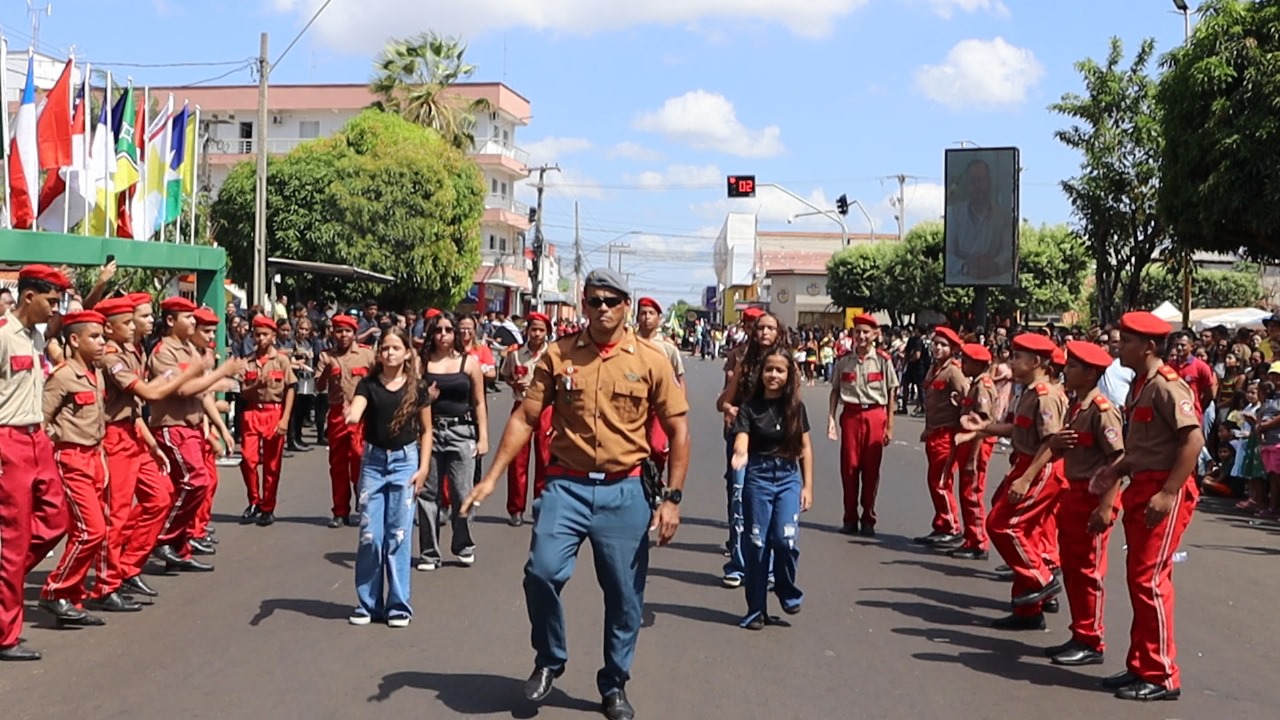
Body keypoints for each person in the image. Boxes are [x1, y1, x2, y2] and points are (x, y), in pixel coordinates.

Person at [460, 268, 689, 720]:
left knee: (624, 597)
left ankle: (614, 684)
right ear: (583, 304)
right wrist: (491, 478)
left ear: (626, 305)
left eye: (611, 301)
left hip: (625, 489)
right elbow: (526, 417)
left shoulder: (652, 359)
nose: (602, 308)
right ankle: (550, 658)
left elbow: (679, 428)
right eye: (594, 300)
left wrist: (672, 498)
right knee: (541, 572)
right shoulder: (558, 355)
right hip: (566, 486)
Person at [1090, 311, 1202, 701]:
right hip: (1142, 484)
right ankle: (1141, 664)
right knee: (1140, 579)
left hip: (1162, 487)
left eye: (1126, 341)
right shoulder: (1141, 384)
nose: (1118, 347)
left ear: (1149, 346)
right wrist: (1115, 471)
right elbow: (1142, 446)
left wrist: (1169, 493)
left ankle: (1161, 674)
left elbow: (1193, 441)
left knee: (1149, 581)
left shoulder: (1168, 386)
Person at [1019, 340, 1126, 668]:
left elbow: (1117, 460)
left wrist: (1106, 507)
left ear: (1091, 373)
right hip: (1074, 492)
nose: (1067, 370)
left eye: (1074, 367)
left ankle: (1092, 639)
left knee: (1089, 571)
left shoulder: (1102, 410)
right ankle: (1080, 633)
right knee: (1074, 568)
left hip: (1094, 495)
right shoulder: (1078, 406)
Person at [91, 295, 200, 605]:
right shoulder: (111, 357)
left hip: (134, 434)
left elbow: (136, 408)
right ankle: (107, 584)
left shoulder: (134, 351)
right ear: (111, 327)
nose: (147, 321)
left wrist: (151, 444)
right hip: (115, 436)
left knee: (160, 497)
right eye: (137, 318)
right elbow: (148, 394)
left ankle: (127, 566)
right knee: (117, 513)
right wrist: (192, 372)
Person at [958, 333, 1066, 630]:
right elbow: (1016, 429)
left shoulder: (1045, 394)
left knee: (1003, 524)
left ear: (1036, 361)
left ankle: (1042, 579)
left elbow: (1050, 443)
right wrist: (983, 427)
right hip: (1024, 462)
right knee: (1021, 530)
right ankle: (1028, 609)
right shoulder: (1027, 391)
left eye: (1018, 357)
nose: (1012, 362)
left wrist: (1026, 479)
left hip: (1038, 467)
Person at [0, 265, 74, 661]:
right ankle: (5, 636)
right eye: (51, 300)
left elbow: (70, 320)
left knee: (57, 520)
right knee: (13, 541)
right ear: (29, 297)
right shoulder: (3, 336)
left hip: (36, 439)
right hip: (8, 441)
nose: (55, 308)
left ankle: (6, 581)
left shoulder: (35, 336)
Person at [148, 296, 244, 572]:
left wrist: (220, 427)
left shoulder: (189, 349)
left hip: (190, 427)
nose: (193, 321)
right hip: (172, 426)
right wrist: (220, 374)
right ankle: (164, 538)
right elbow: (182, 389)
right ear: (170, 320)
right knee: (195, 481)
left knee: (196, 484)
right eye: (188, 317)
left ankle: (180, 549)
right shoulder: (164, 352)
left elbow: (201, 393)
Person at [345, 328, 433, 628]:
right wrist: (351, 414)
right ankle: (368, 604)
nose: (390, 353)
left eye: (396, 348)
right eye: (384, 348)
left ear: (407, 353)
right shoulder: (368, 385)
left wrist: (423, 468)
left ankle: (398, 606)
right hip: (374, 463)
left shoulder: (417, 387)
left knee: (398, 536)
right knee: (370, 535)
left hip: (405, 463)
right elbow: (357, 409)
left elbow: (427, 430)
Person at [37, 310, 118, 628]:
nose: (101, 343)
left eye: (102, 337)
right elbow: (42, 420)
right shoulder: (63, 376)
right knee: (91, 530)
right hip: (71, 458)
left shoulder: (95, 373)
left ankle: (71, 598)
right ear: (74, 340)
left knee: (90, 530)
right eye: (94, 337)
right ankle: (55, 591)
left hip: (95, 457)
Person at [730, 347, 813, 629]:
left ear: (788, 375)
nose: (773, 375)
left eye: (779, 370)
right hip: (758, 477)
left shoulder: (796, 408)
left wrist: (808, 487)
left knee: (784, 540)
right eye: (769, 370)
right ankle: (756, 610)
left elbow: (805, 449)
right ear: (761, 374)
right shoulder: (750, 408)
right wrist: (740, 453)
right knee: (757, 544)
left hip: (788, 477)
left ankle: (786, 589)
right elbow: (742, 438)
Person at [417, 311, 488, 570]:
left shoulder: (469, 363)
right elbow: (411, 398)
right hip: (430, 433)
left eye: (448, 330)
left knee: (462, 493)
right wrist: (427, 397)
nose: (443, 335)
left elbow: (479, 402)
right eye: (438, 330)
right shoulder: (422, 363)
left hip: (461, 433)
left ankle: (463, 545)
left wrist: (483, 437)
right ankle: (429, 553)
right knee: (427, 495)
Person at [716, 309, 780, 587]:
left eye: (770, 328)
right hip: (742, 438)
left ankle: (768, 569)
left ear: (779, 333)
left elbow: (794, 407)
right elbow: (723, 402)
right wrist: (732, 410)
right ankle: (738, 566)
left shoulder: (786, 364)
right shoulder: (744, 363)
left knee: (770, 504)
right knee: (739, 498)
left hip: (773, 443)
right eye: (760, 328)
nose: (764, 332)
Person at [827, 314, 896, 537]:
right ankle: (849, 517)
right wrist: (831, 419)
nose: (862, 336)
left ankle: (868, 518)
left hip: (875, 414)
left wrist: (890, 425)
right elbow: (835, 390)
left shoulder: (883, 360)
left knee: (871, 469)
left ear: (875, 335)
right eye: (858, 331)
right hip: (851, 415)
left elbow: (892, 392)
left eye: (866, 332)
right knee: (849, 468)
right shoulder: (843, 360)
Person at [317, 314, 377, 528]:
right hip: (337, 415)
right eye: (339, 331)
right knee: (338, 465)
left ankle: (363, 499)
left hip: (362, 415)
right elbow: (319, 387)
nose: (343, 335)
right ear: (332, 333)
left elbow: (378, 381)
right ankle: (340, 511)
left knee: (360, 458)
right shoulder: (326, 357)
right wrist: (326, 373)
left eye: (347, 331)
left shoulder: (367, 355)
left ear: (354, 333)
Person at [237, 316, 297, 527]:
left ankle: (267, 506)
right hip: (252, 412)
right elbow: (243, 392)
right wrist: (256, 385)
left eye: (265, 334)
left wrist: (285, 418)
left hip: (274, 412)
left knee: (272, 464)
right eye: (257, 334)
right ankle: (254, 500)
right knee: (248, 459)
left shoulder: (281, 360)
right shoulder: (247, 361)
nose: (261, 338)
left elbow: (291, 388)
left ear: (273, 336)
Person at [499, 311, 552, 527]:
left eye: (541, 330)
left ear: (547, 332)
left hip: (545, 409)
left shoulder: (553, 354)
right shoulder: (515, 354)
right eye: (533, 329)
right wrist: (513, 383)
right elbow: (505, 374)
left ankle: (541, 507)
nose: (537, 334)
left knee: (545, 461)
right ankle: (516, 508)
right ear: (527, 331)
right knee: (517, 460)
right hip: (521, 407)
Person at [917, 326, 968, 547]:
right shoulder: (934, 369)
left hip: (948, 434)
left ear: (953, 349)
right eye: (935, 343)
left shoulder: (954, 372)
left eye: (943, 345)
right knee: (934, 481)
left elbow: (967, 399)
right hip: (934, 433)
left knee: (940, 482)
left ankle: (951, 526)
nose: (937, 348)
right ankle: (941, 524)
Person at [949, 343, 998, 560]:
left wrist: (972, 457)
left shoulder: (983, 386)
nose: (963, 364)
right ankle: (971, 536)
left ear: (978, 365)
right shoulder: (975, 384)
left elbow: (983, 425)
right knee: (966, 491)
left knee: (973, 493)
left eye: (967, 361)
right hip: (969, 443)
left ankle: (978, 541)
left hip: (977, 445)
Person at [635, 298, 686, 483]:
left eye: (651, 313)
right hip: (635, 404)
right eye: (643, 313)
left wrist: (680, 408)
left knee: (657, 446)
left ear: (659, 318)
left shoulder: (667, 347)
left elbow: (679, 379)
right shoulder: (628, 344)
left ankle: (656, 477)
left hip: (660, 405)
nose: (647, 317)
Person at [945, 157, 1015, 285]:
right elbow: (947, 254)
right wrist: (966, 267)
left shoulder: (1003, 216)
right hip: (961, 284)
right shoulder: (953, 214)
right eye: (973, 181)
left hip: (995, 283)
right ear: (968, 185)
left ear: (989, 182)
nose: (978, 186)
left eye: (981, 180)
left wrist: (993, 266)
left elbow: (1009, 252)